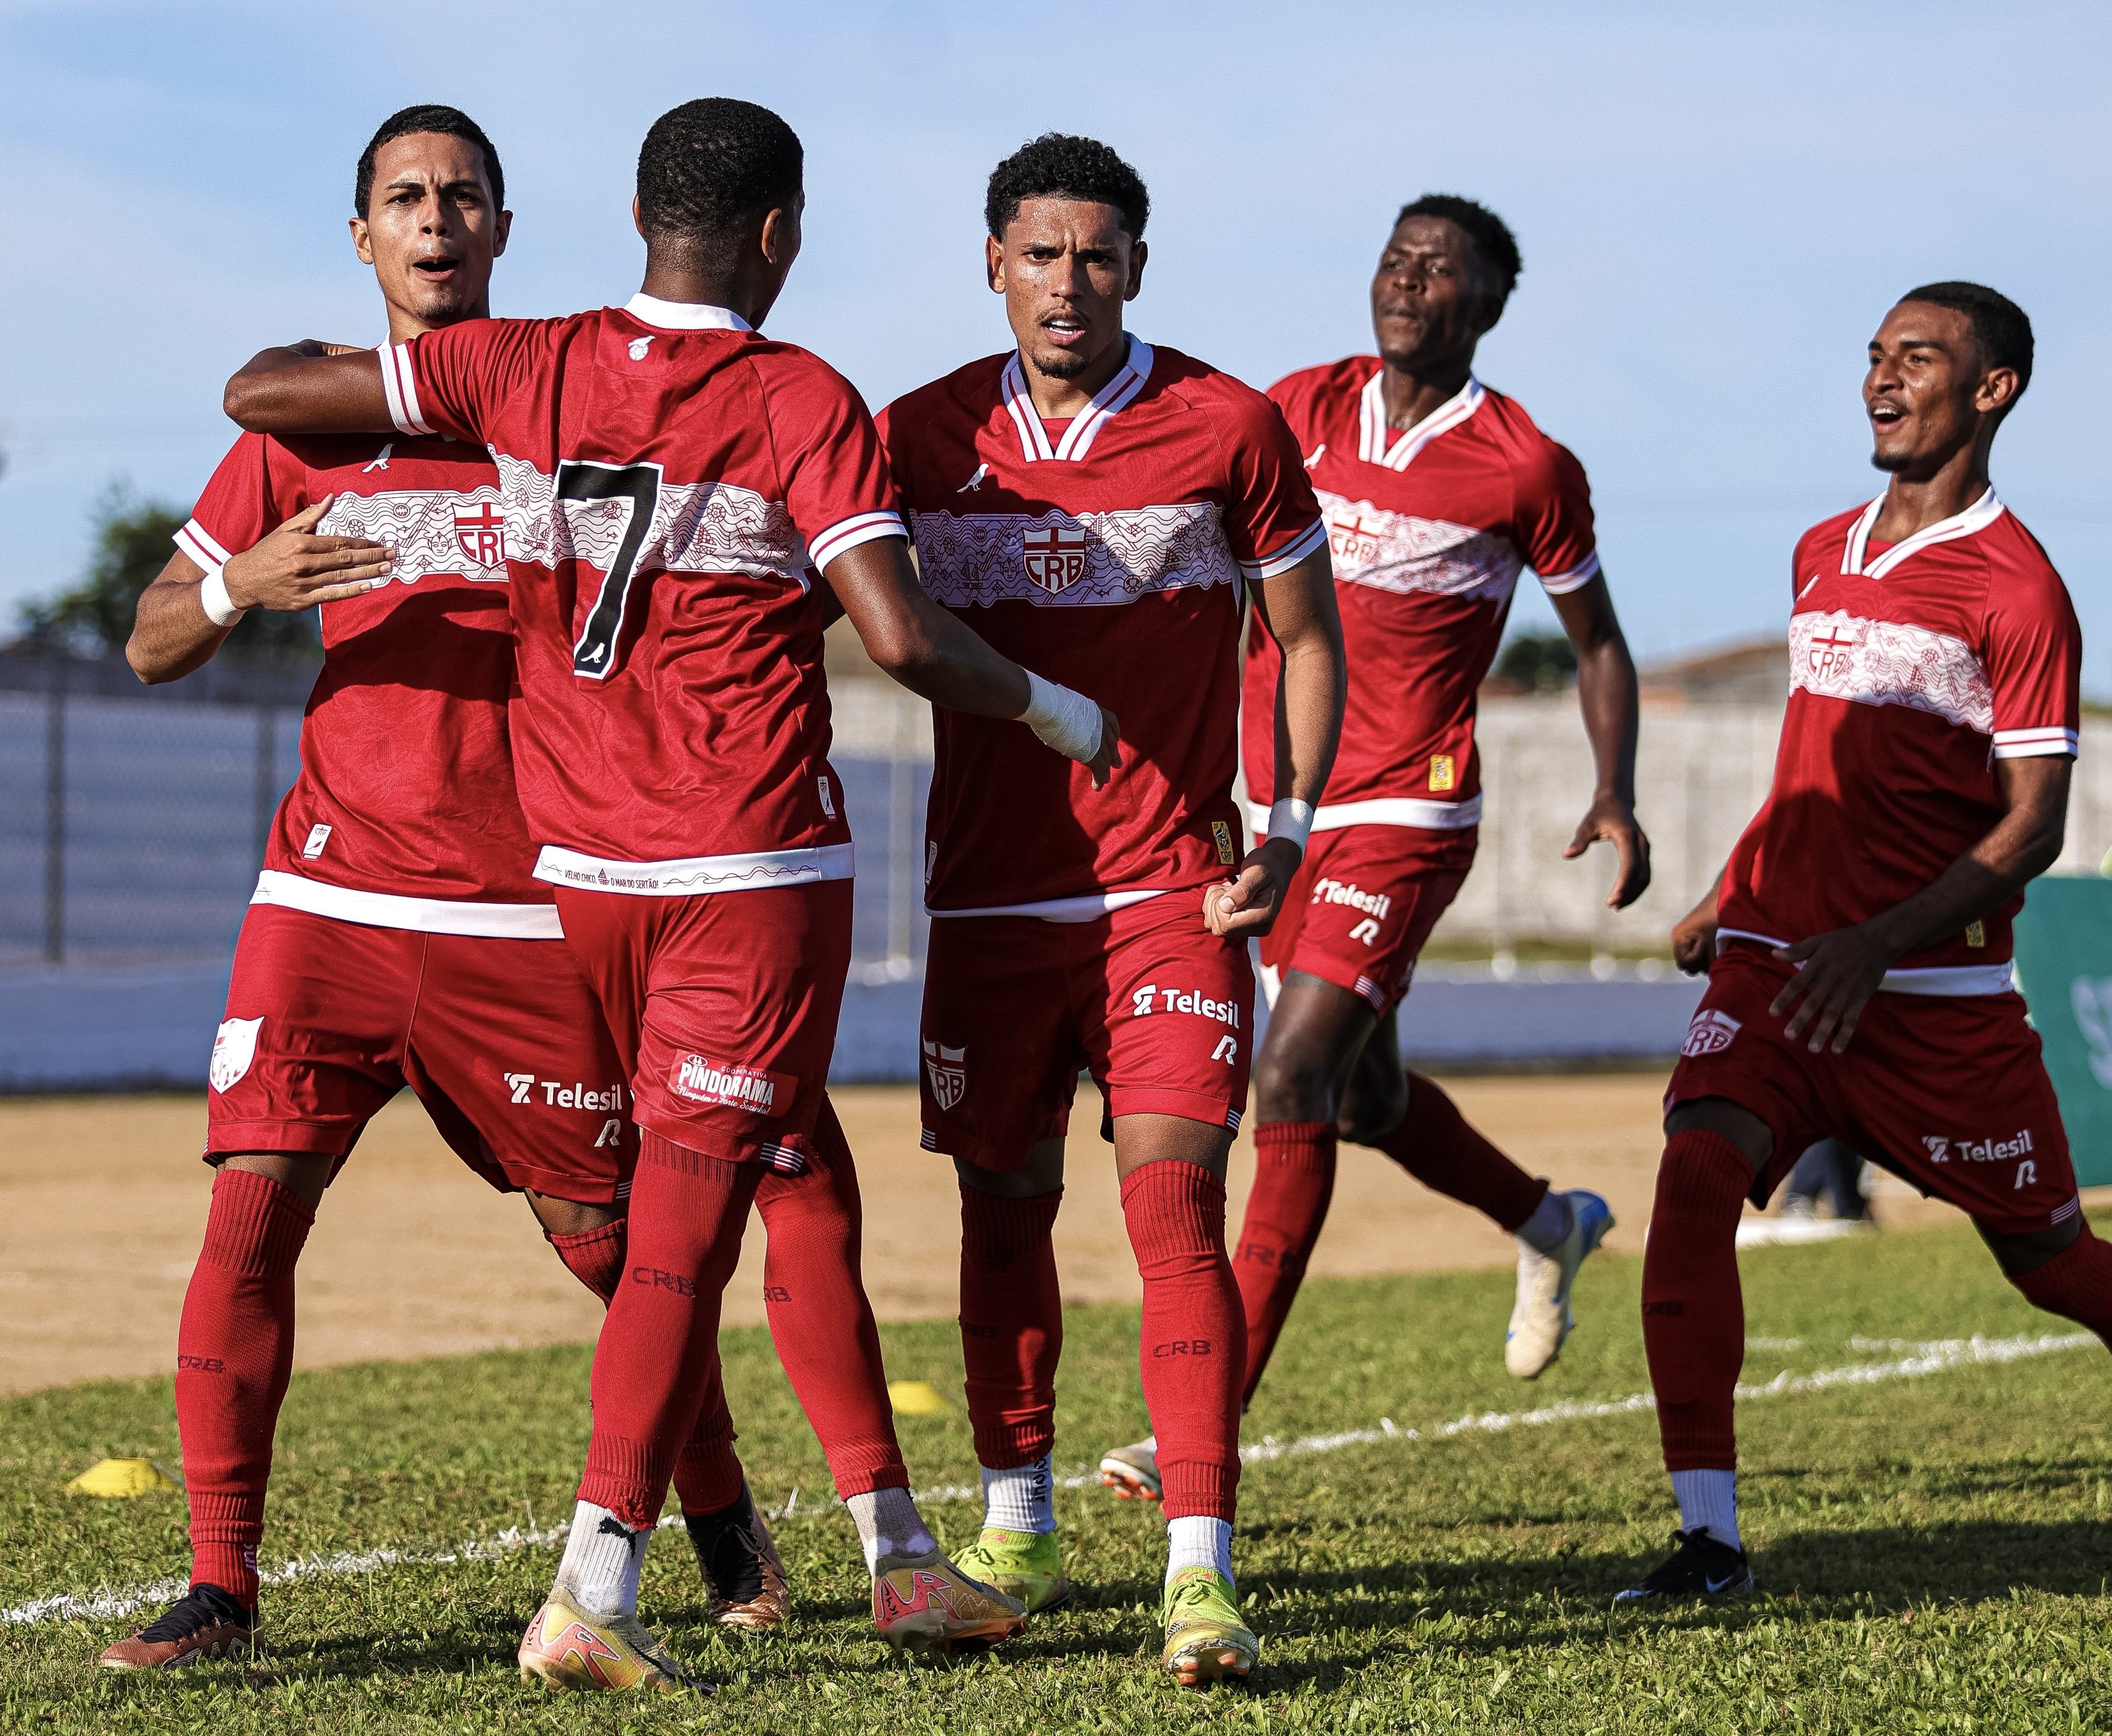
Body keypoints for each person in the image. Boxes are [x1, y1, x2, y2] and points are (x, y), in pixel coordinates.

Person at [220, 98, 1120, 1691]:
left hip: (582, 877)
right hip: (745, 865)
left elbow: (262, 391)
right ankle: (595, 1579)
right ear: (778, 233)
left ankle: (900, 1557)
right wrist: (1060, 713)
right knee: (679, 1230)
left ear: (639, 216)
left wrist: (350, 384)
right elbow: (901, 639)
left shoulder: (526, 361)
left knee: (800, 1173)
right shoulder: (795, 393)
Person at [95, 105, 793, 1670]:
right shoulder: (294, 436)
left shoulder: (556, 404)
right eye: (404, 198)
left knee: (617, 1248)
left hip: (528, 907)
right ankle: (221, 1583)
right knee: (250, 1213)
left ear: (501, 230)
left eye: (463, 195)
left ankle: (717, 1505)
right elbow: (147, 638)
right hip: (326, 901)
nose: (434, 218)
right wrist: (234, 581)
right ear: (363, 239)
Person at [1620, 283, 2112, 1603]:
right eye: (1874, 357)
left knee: (2054, 1262)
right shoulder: (1821, 547)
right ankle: (1712, 1537)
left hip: (1936, 998)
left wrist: (1878, 942)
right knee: (1696, 1173)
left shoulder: (2021, 589)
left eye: (1917, 361)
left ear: (1994, 391)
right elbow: (1812, 760)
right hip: (1779, 964)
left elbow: (2038, 824)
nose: (1882, 380)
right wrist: (1732, 883)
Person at [875, 133, 1345, 1687]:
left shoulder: (1228, 423)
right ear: (991, 265)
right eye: (1038, 253)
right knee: (1000, 1209)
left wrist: (1285, 822)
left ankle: (1198, 1569)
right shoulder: (915, 435)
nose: (1066, 280)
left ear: (1134, 266)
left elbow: (1306, 632)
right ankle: (1012, 1519)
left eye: (1094, 254)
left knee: (1171, 1206)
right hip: (989, 901)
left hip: (1169, 889)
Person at [1096, 194, 1647, 1512]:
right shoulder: (1293, 408)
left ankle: (1203, 1422)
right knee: (1363, 1095)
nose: (1408, 281)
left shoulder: (1526, 465)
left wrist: (1617, 792)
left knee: (1288, 1078)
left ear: (1489, 304)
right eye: (1396, 259)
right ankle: (1547, 1219)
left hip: (1408, 807)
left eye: (1440, 269)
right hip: (1278, 807)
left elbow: (1602, 643)